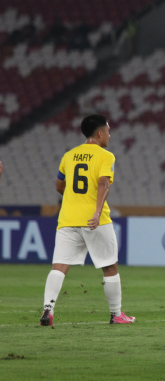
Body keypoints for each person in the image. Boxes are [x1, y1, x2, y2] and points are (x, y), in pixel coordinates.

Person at [40, 115, 135, 326]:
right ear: (100, 133)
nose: (109, 135)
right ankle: (116, 314)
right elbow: (103, 184)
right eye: (108, 131)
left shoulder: (69, 155)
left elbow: (59, 186)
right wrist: (95, 211)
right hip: (96, 220)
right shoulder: (105, 156)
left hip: (67, 219)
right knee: (110, 266)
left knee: (58, 267)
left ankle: (48, 310)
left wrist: (75, 201)